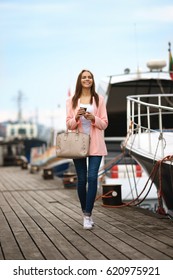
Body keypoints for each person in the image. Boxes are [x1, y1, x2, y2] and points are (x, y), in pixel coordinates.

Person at [66, 69, 108, 229]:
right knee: (82, 180)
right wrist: (76, 116)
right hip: (78, 145)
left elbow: (104, 123)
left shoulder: (99, 99)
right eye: (84, 77)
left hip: (96, 145)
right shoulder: (71, 100)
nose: (87, 79)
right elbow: (69, 124)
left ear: (92, 80)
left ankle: (88, 215)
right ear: (80, 80)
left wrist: (93, 118)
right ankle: (85, 212)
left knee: (92, 178)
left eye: (89, 77)